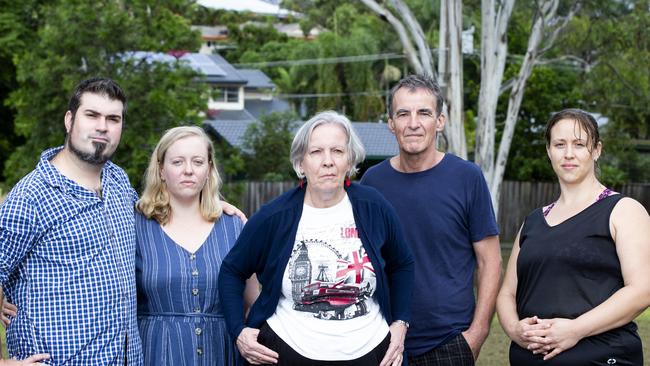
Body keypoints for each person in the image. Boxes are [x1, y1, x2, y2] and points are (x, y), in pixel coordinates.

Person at [218, 111, 414, 366]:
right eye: (316, 152)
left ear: (349, 160)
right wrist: (238, 331)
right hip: (287, 352)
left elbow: (402, 264)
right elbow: (232, 270)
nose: (328, 161)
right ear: (301, 164)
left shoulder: (373, 206)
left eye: (337, 151)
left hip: (371, 353)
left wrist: (400, 323)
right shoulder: (274, 216)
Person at [360, 74, 502, 366]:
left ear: (440, 121)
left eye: (424, 113)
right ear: (390, 123)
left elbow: (490, 261)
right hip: (382, 340)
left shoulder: (466, 178)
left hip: (448, 341)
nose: (413, 123)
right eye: (403, 114)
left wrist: (477, 334)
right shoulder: (372, 182)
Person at [0, 77, 143, 365]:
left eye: (113, 118)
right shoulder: (31, 197)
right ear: (69, 120)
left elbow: (160, 215)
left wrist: (209, 205)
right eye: (92, 115)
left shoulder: (118, 181)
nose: (102, 126)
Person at [496, 108, 650, 365]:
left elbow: (642, 290)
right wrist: (515, 329)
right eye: (559, 144)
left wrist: (575, 329)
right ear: (549, 151)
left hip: (602, 356)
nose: (568, 153)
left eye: (579, 144)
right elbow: (507, 294)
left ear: (597, 150)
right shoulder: (533, 221)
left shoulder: (623, 211)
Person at [134, 126, 258, 365]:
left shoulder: (234, 226)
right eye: (178, 162)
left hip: (223, 353)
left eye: (198, 162)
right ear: (161, 169)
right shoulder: (136, 226)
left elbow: (252, 302)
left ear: (209, 168)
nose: (188, 170)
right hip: (157, 354)